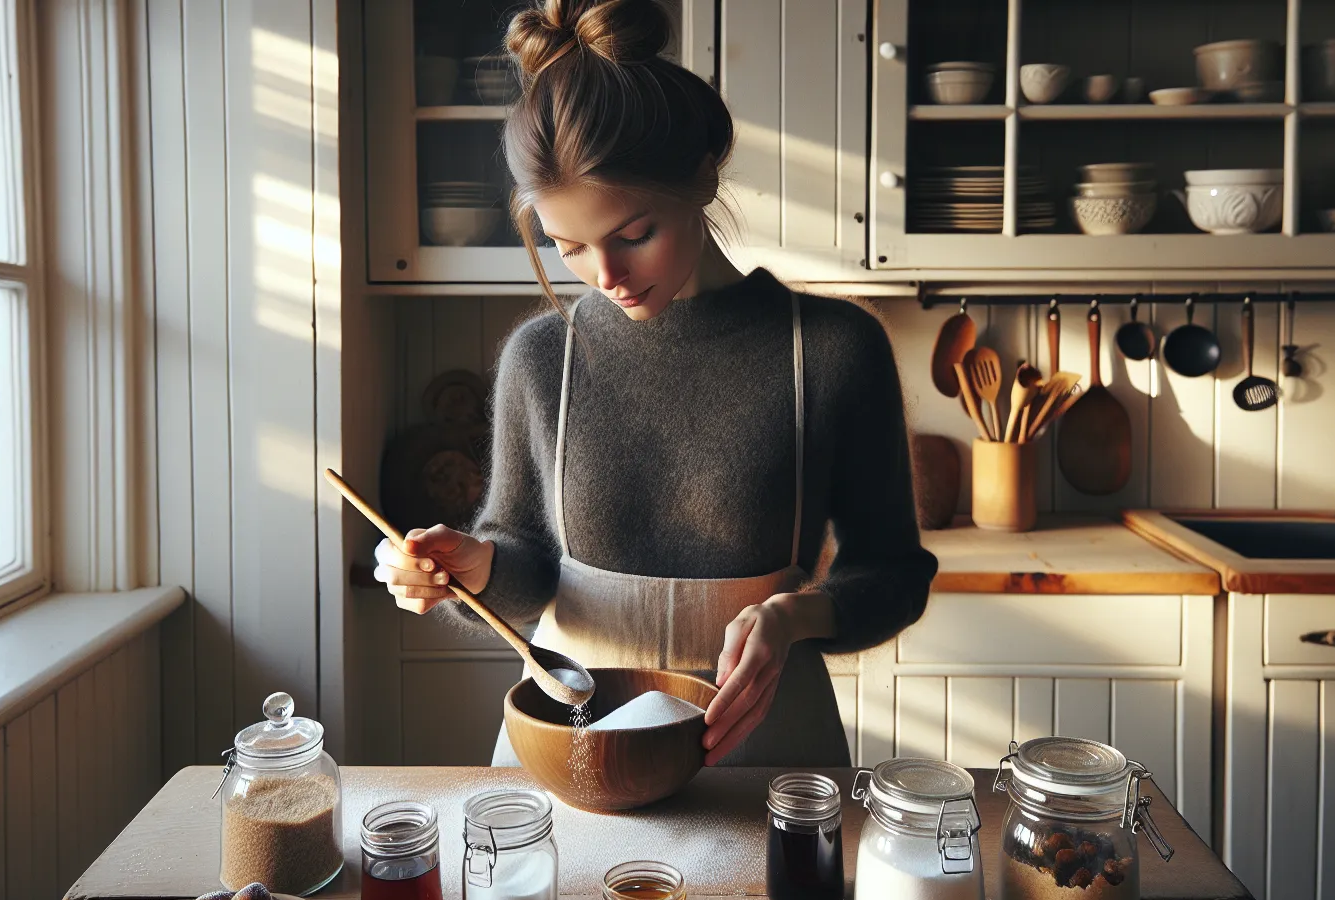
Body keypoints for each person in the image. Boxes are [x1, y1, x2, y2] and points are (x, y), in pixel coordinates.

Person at [374, 0, 935, 768]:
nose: (606, 278)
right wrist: (475, 570)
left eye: (634, 235)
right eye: (569, 246)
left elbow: (894, 574)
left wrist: (795, 618)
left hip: (763, 748)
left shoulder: (833, 351)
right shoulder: (541, 360)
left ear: (703, 177)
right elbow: (526, 561)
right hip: (573, 747)